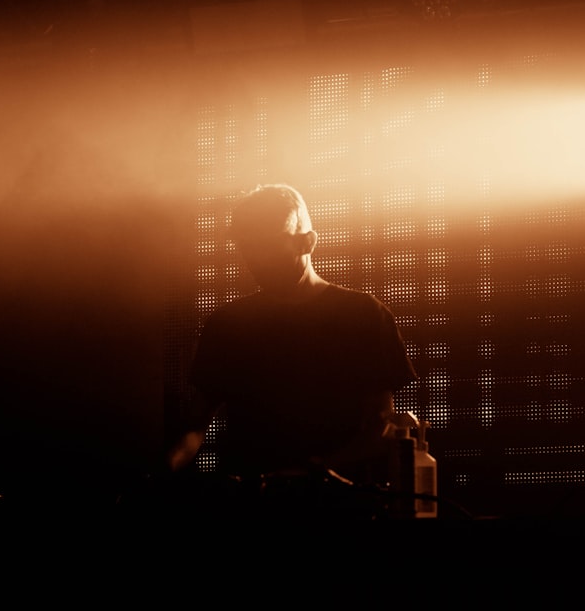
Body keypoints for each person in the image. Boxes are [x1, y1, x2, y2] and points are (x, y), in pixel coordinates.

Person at [165, 183, 418, 497]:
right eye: (248, 246)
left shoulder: (365, 316)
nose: (257, 259)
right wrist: (162, 473)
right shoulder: (227, 324)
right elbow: (195, 426)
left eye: (268, 246)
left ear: (308, 243)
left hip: (340, 504)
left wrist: (317, 470)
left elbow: (382, 427)